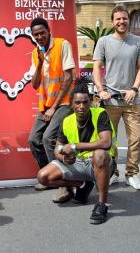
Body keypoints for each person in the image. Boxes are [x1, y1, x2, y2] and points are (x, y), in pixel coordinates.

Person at [37, 80, 116, 224]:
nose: (82, 106)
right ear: (71, 104)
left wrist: (75, 146)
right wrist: (63, 158)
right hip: (77, 163)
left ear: (91, 102)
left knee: (100, 154)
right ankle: (82, 185)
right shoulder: (66, 120)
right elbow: (58, 149)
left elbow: (106, 142)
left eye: (85, 102)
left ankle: (102, 205)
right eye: (78, 103)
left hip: (99, 163)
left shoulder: (100, 113)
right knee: (43, 177)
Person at [92, 5, 140, 190]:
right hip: (110, 100)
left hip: (133, 100)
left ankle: (132, 174)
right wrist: (101, 90)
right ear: (112, 21)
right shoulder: (103, 41)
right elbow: (96, 69)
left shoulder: (138, 41)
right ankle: (113, 172)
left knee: (136, 139)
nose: (121, 22)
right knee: (110, 141)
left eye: (124, 18)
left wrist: (134, 88)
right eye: (118, 19)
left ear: (128, 20)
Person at [27, 17, 76, 202]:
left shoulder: (62, 45)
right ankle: (48, 176)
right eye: (35, 35)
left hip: (64, 103)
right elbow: (35, 84)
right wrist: (39, 63)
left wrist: (54, 107)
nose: (39, 37)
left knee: (48, 138)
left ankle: (64, 184)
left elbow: (69, 77)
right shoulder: (35, 54)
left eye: (42, 33)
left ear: (49, 31)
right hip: (46, 106)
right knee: (33, 140)